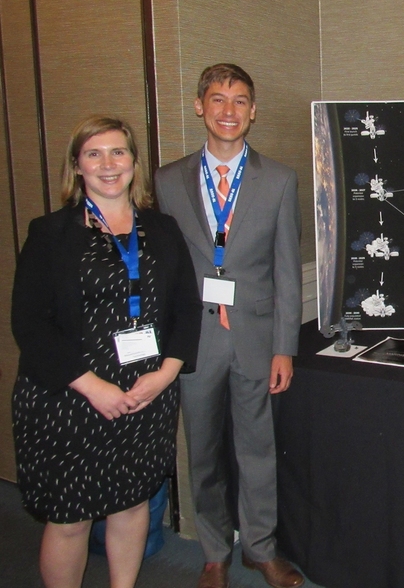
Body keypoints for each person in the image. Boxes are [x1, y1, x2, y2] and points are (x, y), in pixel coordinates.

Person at [11, 115, 202, 588]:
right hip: (70, 397)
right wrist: (93, 387)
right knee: (71, 518)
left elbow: (185, 308)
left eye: (118, 152)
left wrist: (164, 376)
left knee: (132, 502)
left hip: (144, 394)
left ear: (135, 163)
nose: (108, 164)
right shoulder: (49, 233)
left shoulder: (162, 229)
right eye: (93, 154)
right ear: (76, 166)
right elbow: (29, 324)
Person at [155, 63, 304, 588]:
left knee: (257, 446)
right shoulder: (167, 180)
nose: (228, 111)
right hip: (195, 340)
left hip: (255, 336)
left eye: (240, 101)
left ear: (253, 111)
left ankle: (260, 549)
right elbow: (166, 271)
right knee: (203, 448)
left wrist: (284, 347)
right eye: (217, 99)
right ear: (200, 106)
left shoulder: (280, 180)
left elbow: (287, 271)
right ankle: (215, 551)